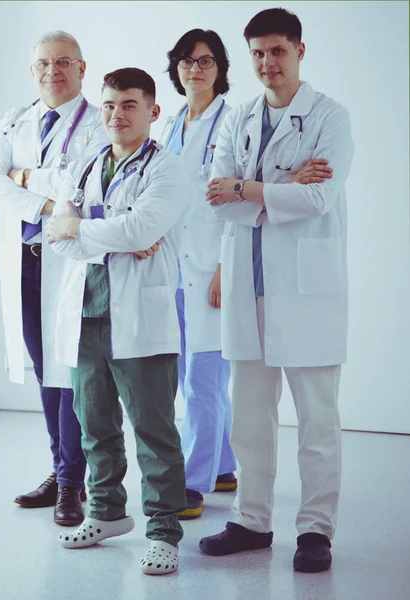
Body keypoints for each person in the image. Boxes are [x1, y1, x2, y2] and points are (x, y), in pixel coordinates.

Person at [199, 8, 354, 574]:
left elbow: (319, 199)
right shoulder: (238, 116)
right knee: (248, 416)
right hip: (248, 283)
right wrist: (272, 188)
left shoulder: (330, 118)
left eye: (278, 51)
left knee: (317, 419)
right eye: (258, 53)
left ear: (300, 51)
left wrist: (247, 187)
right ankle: (251, 520)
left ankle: (315, 530)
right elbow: (217, 196)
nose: (268, 63)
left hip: (306, 291)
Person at [44, 68, 188, 575]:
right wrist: (111, 233)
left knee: (153, 427)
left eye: (129, 104)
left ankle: (165, 530)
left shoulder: (168, 169)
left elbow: (142, 227)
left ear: (153, 111)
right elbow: (54, 236)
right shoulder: (86, 164)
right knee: (94, 421)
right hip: (86, 313)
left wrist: (82, 226)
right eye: (108, 105)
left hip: (139, 315)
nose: (116, 114)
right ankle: (106, 513)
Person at [0, 31, 109, 526]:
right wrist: (47, 198)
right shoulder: (15, 120)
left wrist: (24, 177)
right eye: (42, 64)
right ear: (32, 71)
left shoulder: (99, 122)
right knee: (41, 364)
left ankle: (73, 482)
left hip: (70, 261)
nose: (52, 71)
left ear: (81, 67)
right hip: (26, 258)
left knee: (69, 366)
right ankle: (60, 468)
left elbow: (81, 183)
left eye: (63, 62)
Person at [161, 29, 237, 520]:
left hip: (213, 267)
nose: (195, 69)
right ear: (176, 68)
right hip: (175, 268)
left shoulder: (234, 121)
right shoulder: (171, 122)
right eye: (187, 61)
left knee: (202, 381)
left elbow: (240, 202)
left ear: (220, 68)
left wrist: (224, 270)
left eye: (205, 61)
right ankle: (225, 466)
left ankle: (191, 483)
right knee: (193, 374)